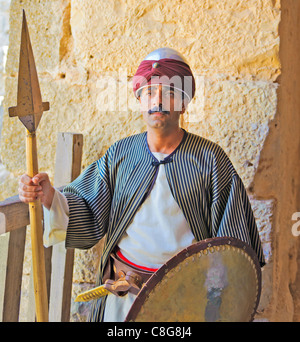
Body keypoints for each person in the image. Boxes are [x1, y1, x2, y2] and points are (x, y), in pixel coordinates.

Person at [18, 47, 265, 322]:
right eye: (149, 92)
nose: (157, 101)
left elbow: (233, 248)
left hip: (186, 302)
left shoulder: (210, 160)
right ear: (139, 101)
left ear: (183, 104)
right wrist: (49, 195)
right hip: (124, 299)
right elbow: (86, 207)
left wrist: (221, 303)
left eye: (169, 92)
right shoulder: (120, 155)